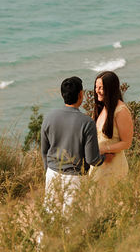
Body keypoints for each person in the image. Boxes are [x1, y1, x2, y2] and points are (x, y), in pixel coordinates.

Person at [40, 75, 103, 211]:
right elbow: (92, 159)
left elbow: (44, 150)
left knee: (51, 219)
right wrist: (104, 158)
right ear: (81, 94)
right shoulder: (87, 123)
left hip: (52, 174)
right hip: (75, 179)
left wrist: (49, 171)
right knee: (71, 224)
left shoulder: (49, 117)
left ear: (63, 95)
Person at [88, 70, 133, 185]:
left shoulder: (121, 111)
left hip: (113, 168)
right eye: (96, 87)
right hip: (98, 167)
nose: (97, 91)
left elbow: (127, 143)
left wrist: (103, 150)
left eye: (101, 88)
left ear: (111, 89)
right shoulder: (101, 108)